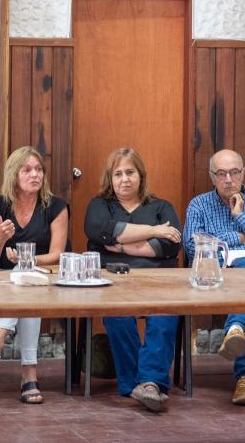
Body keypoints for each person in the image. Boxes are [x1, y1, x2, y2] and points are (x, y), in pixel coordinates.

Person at [84, 148, 182, 412]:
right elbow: (102, 231)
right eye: (118, 174)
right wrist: (153, 231)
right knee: (117, 315)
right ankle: (138, 384)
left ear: (141, 176)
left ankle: (148, 382)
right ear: (110, 178)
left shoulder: (161, 207)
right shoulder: (99, 205)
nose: (124, 179)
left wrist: (124, 246)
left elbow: (170, 245)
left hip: (157, 279)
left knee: (165, 314)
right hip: (112, 280)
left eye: (130, 172)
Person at [183, 149, 245, 406]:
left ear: (243, 173)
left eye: (234, 172)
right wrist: (239, 237)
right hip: (214, 276)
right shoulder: (199, 204)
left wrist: (241, 217)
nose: (228, 179)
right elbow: (192, 246)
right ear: (211, 176)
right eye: (221, 173)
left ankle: (236, 330)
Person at [0, 146, 68, 405]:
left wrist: (26, 261)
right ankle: (29, 373)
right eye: (27, 170)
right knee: (23, 280)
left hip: (43, 278)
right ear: (13, 175)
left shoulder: (56, 207)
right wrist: (0, 239)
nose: (35, 175)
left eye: (39, 170)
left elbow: (57, 255)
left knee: (26, 277)